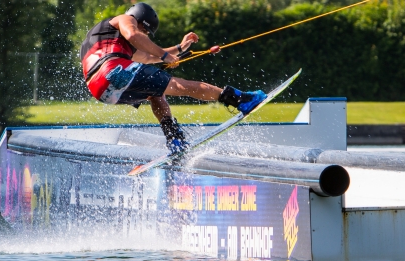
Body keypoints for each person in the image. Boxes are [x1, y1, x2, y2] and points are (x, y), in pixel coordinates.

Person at [79, 3, 267, 154]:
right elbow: (133, 34)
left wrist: (180, 47)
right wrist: (164, 55)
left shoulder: (106, 39)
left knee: (155, 92)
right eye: (145, 31)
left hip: (101, 90)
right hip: (114, 69)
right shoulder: (125, 19)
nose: (145, 36)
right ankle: (240, 100)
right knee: (180, 85)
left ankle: (174, 138)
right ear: (139, 20)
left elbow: (146, 57)